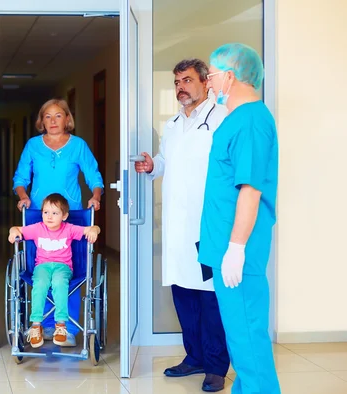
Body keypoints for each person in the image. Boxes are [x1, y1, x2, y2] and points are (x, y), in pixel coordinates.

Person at [135, 59, 230, 392]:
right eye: (176, 82)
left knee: (210, 296)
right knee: (183, 293)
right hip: (177, 225)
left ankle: (216, 366)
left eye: (187, 80)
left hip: (207, 224)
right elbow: (167, 162)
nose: (181, 88)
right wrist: (152, 166)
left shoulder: (220, 119)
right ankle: (195, 357)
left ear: (205, 82)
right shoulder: (173, 124)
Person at [199, 43, 281, 394]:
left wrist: (236, 247)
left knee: (248, 342)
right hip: (226, 248)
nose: (209, 84)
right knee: (241, 339)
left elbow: (250, 189)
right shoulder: (239, 120)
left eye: (212, 76)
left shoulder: (249, 121)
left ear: (230, 76)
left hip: (238, 253)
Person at [13, 98, 104, 346]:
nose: (53, 121)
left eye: (58, 116)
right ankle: (42, 324)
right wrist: (23, 196)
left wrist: (96, 196)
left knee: (69, 268)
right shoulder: (33, 146)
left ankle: (68, 327)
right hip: (38, 215)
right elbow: (21, 177)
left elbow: (94, 175)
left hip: (71, 214)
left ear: (67, 119)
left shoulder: (78, 146)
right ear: (41, 121)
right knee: (41, 268)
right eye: (47, 116)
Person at [8, 193, 101, 348]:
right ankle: (36, 325)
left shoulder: (69, 229)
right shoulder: (38, 228)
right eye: (46, 212)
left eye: (55, 213)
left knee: (59, 283)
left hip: (62, 267)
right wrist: (13, 231)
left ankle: (61, 325)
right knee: (39, 284)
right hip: (42, 267)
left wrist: (94, 230)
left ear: (64, 216)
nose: (49, 217)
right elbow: (17, 228)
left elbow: (92, 228)